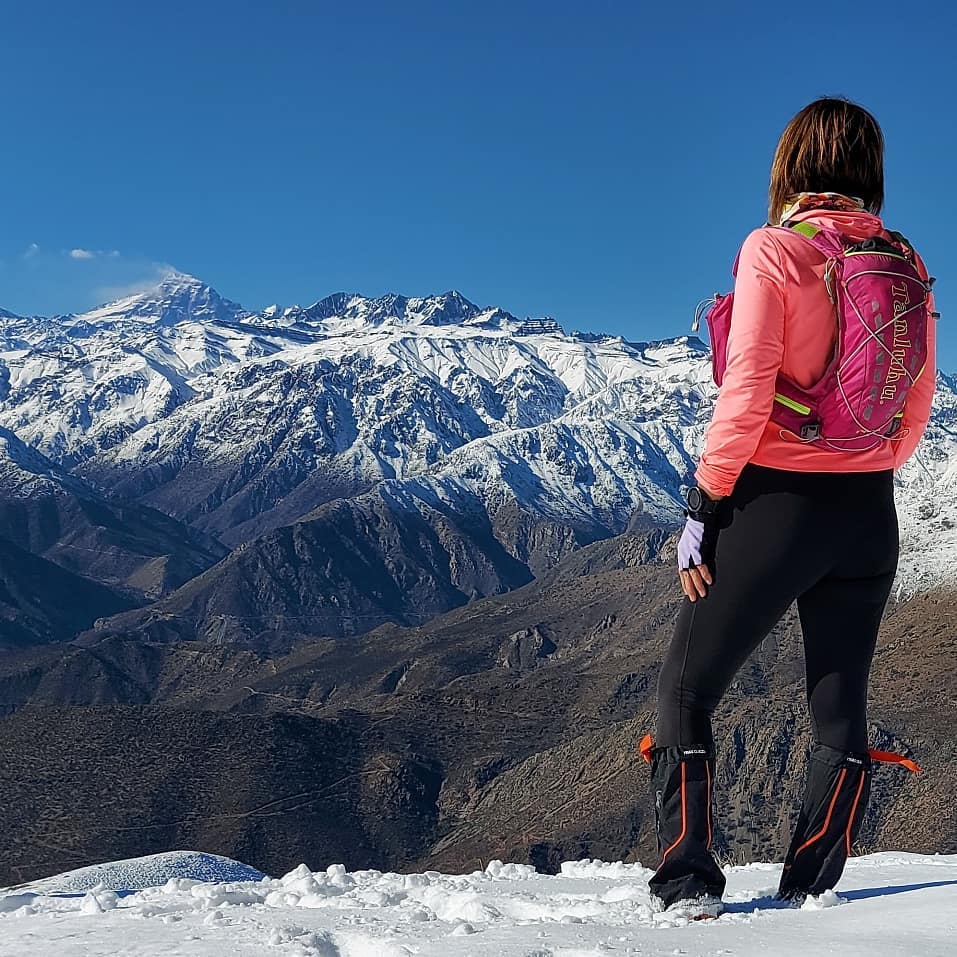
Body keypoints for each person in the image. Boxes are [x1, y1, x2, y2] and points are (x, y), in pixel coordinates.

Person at [642, 97, 937, 916]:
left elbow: (745, 392)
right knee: (838, 705)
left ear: (790, 166)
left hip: (775, 506)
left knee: (686, 688)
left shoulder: (773, 249)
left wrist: (705, 501)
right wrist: (859, 466)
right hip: (870, 513)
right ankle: (810, 889)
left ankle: (687, 882)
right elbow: (912, 409)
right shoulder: (904, 261)